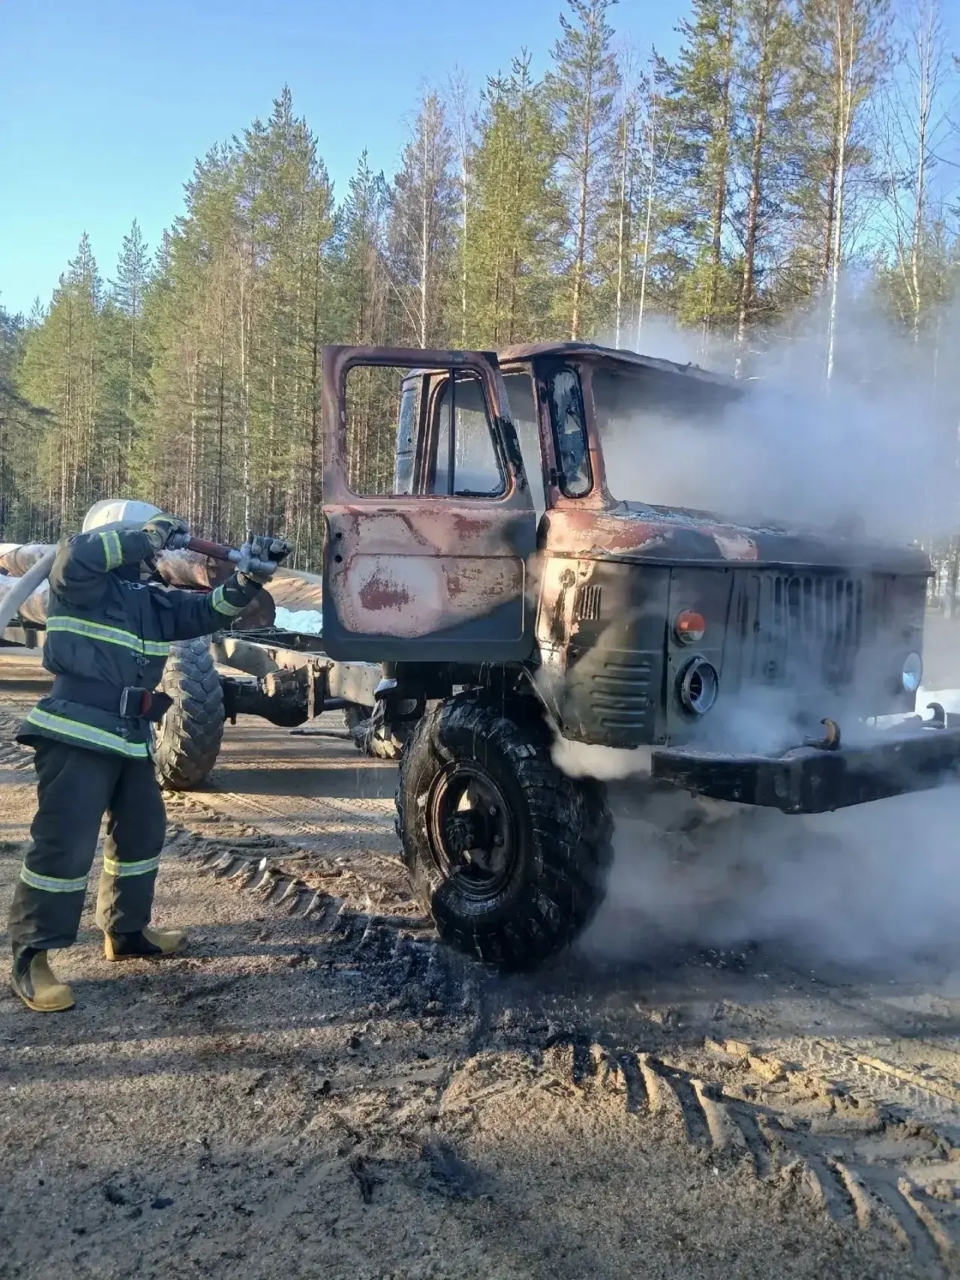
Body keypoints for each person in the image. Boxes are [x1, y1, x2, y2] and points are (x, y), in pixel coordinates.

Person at [7, 500, 289, 1013]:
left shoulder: (149, 599)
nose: (150, 552)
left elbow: (205, 611)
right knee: (64, 848)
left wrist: (249, 579)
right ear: (121, 537)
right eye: (141, 541)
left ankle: (126, 932)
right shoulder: (78, 580)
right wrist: (150, 534)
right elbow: (78, 553)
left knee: (141, 835)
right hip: (76, 732)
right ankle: (32, 957)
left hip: (130, 737)